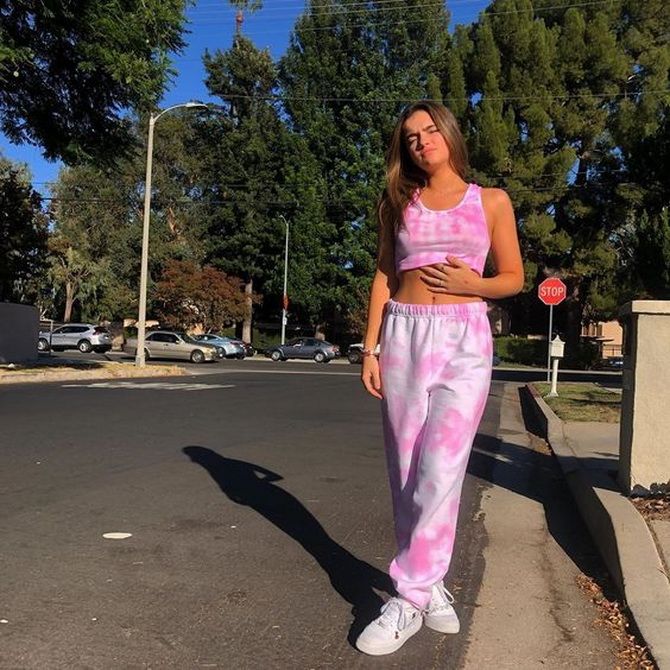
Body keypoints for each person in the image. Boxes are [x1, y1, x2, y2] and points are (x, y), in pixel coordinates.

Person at [355, 101, 524, 656]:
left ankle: (408, 595)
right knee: (406, 469)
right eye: (411, 137)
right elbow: (384, 274)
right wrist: (370, 347)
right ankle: (430, 586)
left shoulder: (490, 201)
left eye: (430, 130)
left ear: (449, 134)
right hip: (403, 335)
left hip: (463, 340)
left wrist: (473, 284)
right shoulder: (397, 203)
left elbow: (513, 278)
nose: (422, 141)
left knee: (441, 468)